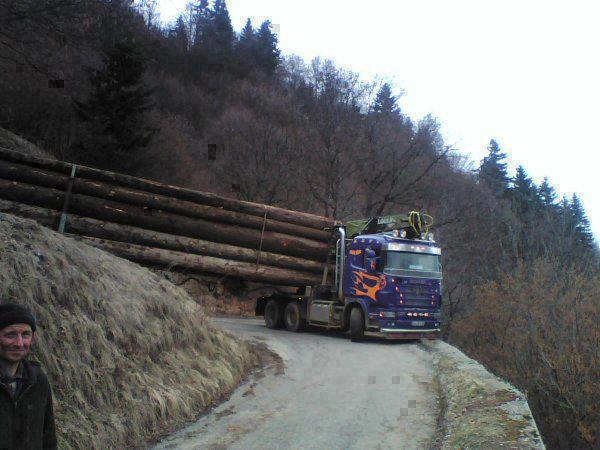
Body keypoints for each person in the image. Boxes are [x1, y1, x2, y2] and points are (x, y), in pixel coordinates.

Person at [0, 303, 57, 450]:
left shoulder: (38, 381)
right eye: (10, 335)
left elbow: (48, 439)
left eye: (25, 334)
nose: (19, 343)